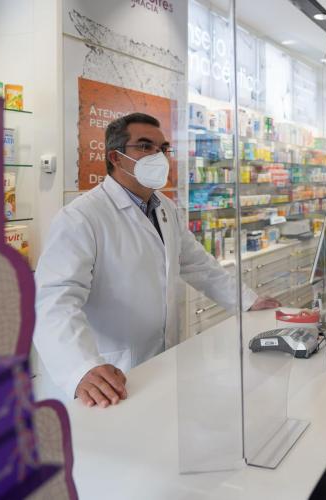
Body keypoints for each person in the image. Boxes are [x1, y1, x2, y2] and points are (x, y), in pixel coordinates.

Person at [34, 113, 280, 408]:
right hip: (108, 375)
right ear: (116, 157)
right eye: (145, 146)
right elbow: (53, 300)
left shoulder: (165, 208)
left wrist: (247, 300)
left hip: (161, 363)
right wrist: (81, 367)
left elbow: (199, 264)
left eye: (163, 148)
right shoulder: (81, 217)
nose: (158, 156)